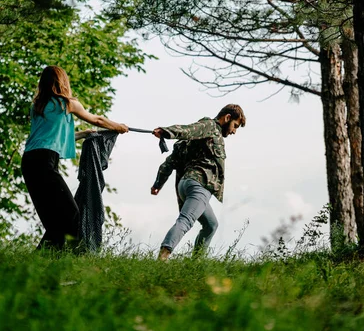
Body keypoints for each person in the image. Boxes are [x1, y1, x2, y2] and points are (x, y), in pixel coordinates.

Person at [21, 65, 128, 250]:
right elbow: (98, 120)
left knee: (52, 218)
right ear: (62, 82)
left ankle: (40, 262)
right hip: (45, 162)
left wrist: (82, 134)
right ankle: (72, 258)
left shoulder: (37, 106)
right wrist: (119, 127)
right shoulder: (67, 103)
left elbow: (49, 137)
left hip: (29, 161)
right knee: (71, 215)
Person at [151, 104, 246, 260]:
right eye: (235, 125)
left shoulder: (193, 142)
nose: (234, 131)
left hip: (186, 184)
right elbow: (188, 129)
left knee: (211, 225)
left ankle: (195, 263)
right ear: (227, 117)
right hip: (199, 184)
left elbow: (169, 163)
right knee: (186, 220)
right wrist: (166, 132)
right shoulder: (210, 126)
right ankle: (162, 258)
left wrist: (157, 184)